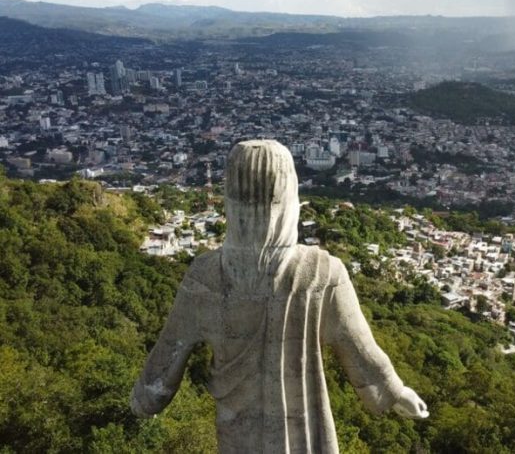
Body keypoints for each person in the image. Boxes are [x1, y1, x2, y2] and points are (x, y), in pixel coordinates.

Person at [131, 140, 428, 453]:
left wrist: (141, 401)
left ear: (230, 198)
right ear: (290, 197)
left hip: (236, 436)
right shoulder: (322, 273)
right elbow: (361, 351)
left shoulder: (205, 276)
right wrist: (396, 393)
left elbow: (164, 362)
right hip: (305, 436)